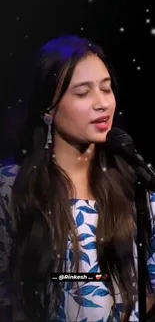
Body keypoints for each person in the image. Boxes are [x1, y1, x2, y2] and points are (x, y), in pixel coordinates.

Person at [0, 35, 155, 322]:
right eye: (83, 93)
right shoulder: (11, 188)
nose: (102, 104)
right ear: (48, 107)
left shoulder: (136, 186)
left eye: (107, 90)